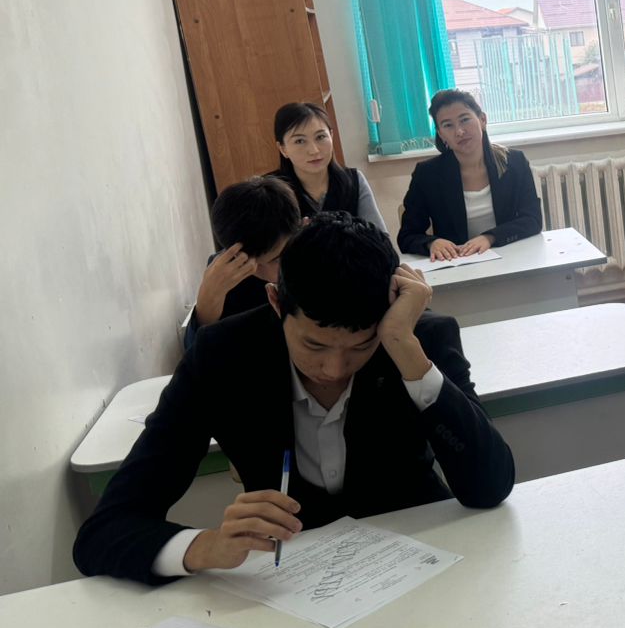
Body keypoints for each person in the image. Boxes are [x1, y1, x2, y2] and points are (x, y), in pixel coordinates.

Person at [75, 212, 515, 585]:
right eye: (314, 345)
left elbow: (490, 485)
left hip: (424, 569)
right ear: (275, 301)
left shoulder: (418, 339)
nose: (334, 369)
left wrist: (403, 347)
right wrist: (205, 546)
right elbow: (104, 531)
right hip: (290, 589)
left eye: (361, 346)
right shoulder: (221, 357)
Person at [397, 90, 542, 261]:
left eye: (465, 120)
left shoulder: (514, 162)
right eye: (448, 125)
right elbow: (407, 236)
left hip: (510, 257)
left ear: (482, 120)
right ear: (441, 134)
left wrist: (490, 237)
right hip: (458, 263)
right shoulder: (427, 174)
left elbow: (532, 219)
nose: (459, 131)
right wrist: (432, 243)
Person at [183, 176, 302, 351]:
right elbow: (198, 356)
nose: (254, 268)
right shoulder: (225, 276)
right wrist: (207, 303)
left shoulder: (316, 252)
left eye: (276, 259)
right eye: (250, 263)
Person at [268, 102, 386, 231]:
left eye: (320, 137)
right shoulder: (268, 191)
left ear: (331, 136)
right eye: (299, 141)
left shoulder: (354, 180)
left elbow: (380, 238)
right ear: (283, 149)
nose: (314, 150)